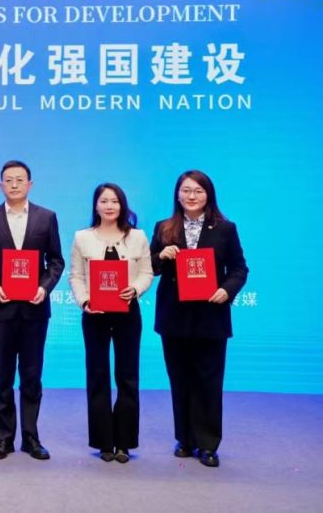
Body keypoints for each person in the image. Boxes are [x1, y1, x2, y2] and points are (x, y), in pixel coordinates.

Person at [150, 170, 248, 468]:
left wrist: (226, 290)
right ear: (177, 194)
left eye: (198, 191)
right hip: (174, 316)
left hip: (210, 315)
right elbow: (149, 267)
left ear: (208, 195)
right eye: (186, 190)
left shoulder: (225, 228)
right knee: (179, 378)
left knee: (209, 380)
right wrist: (161, 256)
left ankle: (207, 444)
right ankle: (185, 438)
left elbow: (239, 269)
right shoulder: (164, 227)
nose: (191, 196)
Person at [0, 159, 64, 460]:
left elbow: (56, 260)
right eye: (8, 180)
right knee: (2, 376)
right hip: (1, 308)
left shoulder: (46, 217)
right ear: (1, 185)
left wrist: (44, 287)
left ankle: (31, 438)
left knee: (32, 376)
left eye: (19, 179)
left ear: (30, 184)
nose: (14, 184)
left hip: (35, 309)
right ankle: (3, 439)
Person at [68, 183, 153, 463]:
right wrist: (85, 301)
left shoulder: (137, 236)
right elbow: (76, 276)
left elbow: (146, 272)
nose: (109, 206)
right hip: (94, 315)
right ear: (96, 205)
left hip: (128, 313)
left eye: (114, 201)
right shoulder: (82, 237)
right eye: (104, 201)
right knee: (97, 375)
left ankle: (124, 443)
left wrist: (135, 289)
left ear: (122, 205)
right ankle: (104, 441)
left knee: (127, 376)